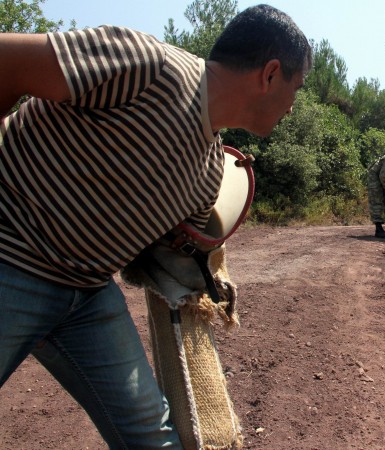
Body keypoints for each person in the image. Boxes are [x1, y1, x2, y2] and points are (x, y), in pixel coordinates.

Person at [0, 4, 312, 448]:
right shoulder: (147, 64)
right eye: (295, 88)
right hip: (10, 257)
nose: (292, 107)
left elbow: (162, 256)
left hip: (86, 294)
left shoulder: (209, 175)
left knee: (154, 440)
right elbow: (6, 63)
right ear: (270, 74)